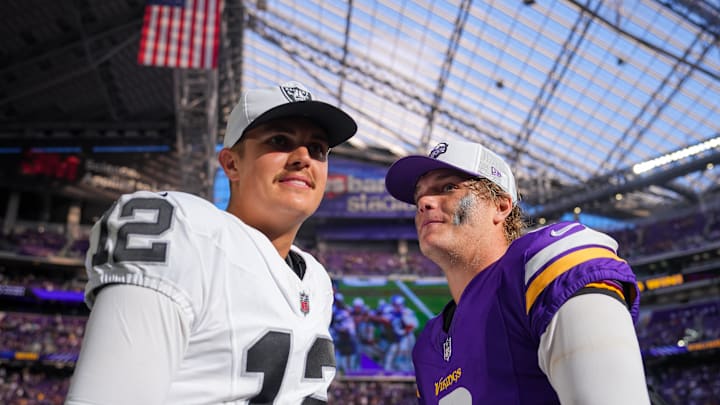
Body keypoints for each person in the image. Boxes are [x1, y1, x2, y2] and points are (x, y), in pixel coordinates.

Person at [65, 80, 357, 404]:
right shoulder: (185, 232)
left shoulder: (316, 280)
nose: (303, 158)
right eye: (280, 140)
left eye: (317, 149)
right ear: (232, 164)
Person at [384, 140, 651, 404]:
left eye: (449, 187)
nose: (425, 202)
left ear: (500, 206)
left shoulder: (543, 263)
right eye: (420, 196)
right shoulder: (427, 346)